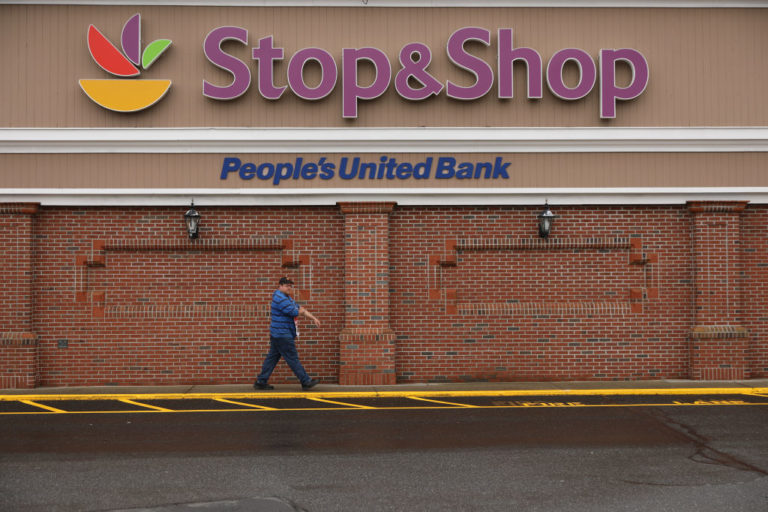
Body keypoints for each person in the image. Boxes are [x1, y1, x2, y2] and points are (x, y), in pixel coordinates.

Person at [254, 277, 320, 391]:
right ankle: (305, 381)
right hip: (282, 334)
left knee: (272, 358)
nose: (289, 287)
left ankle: (261, 381)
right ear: (280, 286)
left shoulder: (287, 298)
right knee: (292, 358)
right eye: (286, 285)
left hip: (278, 334)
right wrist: (301, 311)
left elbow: (299, 309)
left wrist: (313, 318)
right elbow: (294, 311)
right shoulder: (280, 298)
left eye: (290, 285)